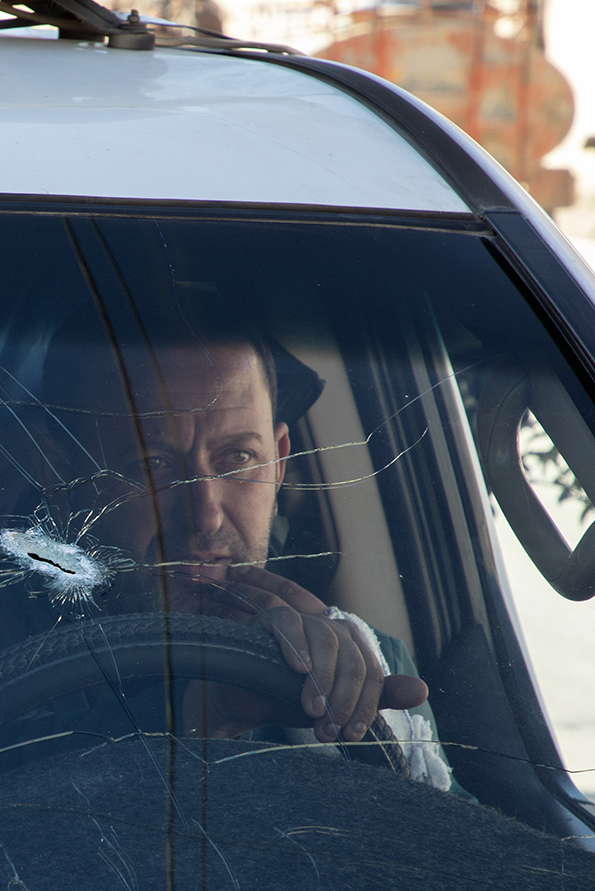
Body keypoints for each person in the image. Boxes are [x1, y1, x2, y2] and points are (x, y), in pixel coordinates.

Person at [88, 329, 456, 790]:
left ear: (279, 463)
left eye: (238, 457)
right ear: (56, 471)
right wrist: (201, 720)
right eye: (152, 463)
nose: (205, 516)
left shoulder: (367, 662)